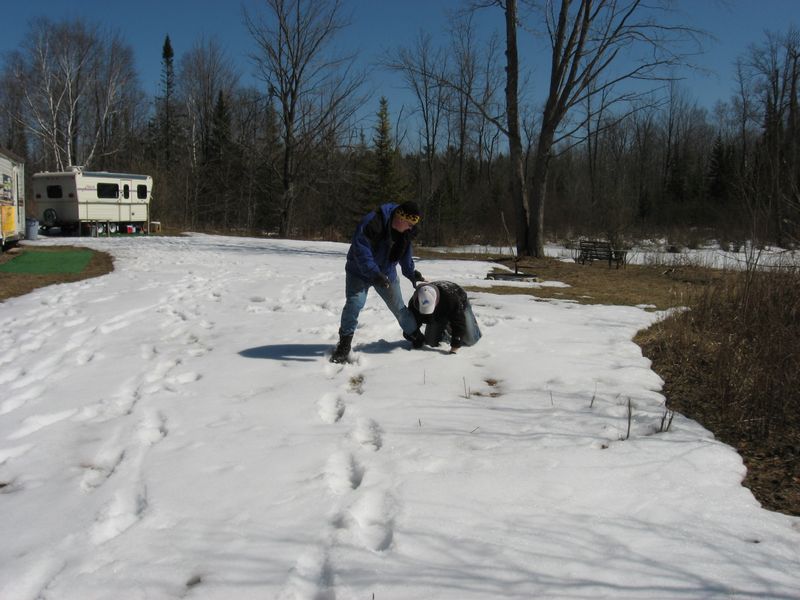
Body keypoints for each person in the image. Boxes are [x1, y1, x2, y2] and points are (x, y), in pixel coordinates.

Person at [330, 201, 426, 363]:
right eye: (409, 224)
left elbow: (405, 253)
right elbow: (361, 250)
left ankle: (413, 333)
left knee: (398, 307)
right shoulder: (374, 222)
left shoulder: (405, 232)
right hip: (359, 272)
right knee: (354, 304)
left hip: (386, 273)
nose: (411, 228)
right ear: (400, 218)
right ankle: (344, 345)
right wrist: (374, 274)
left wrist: (411, 273)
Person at [409, 281, 482, 354]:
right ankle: (445, 329)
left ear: (436, 301)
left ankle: (469, 323)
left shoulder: (451, 299)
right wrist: (417, 339)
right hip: (440, 312)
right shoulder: (413, 304)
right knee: (431, 342)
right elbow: (411, 327)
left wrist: (455, 346)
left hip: (459, 301)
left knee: (471, 340)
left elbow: (459, 322)